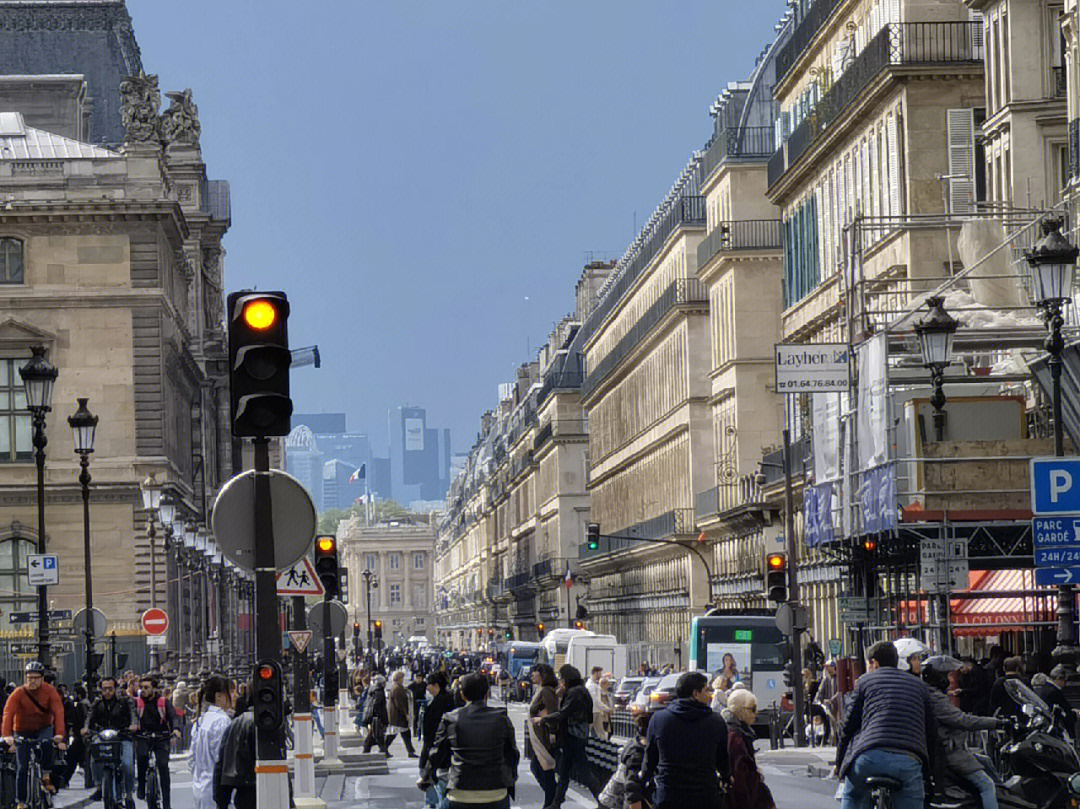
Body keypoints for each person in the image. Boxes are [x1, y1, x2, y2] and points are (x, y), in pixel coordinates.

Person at [836, 640, 937, 809]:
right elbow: (932, 731)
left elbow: (848, 725)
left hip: (869, 755)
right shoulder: (919, 686)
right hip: (908, 759)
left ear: (874, 662)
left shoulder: (865, 682)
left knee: (852, 794)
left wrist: (841, 763)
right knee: (913, 798)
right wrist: (930, 772)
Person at [420, 672, 518, 809]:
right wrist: (511, 777)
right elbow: (512, 754)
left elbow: (436, 752)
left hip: (460, 792)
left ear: (462, 694)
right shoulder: (501, 718)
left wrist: (427, 777)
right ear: (487, 693)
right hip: (496, 791)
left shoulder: (451, 718)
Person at [922, 656, 1007, 809]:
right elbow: (963, 720)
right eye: (948, 675)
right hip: (950, 752)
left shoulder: (933, 695)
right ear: (939, 677)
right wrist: (996, 722)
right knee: (987, 784)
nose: (951, 679)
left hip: (950, 749)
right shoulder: (936, 699)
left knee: (985, 760)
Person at [641, 670, 728, 809]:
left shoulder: (659, 719)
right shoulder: (716, 721)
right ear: (695, 694)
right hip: (705, 796)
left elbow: (650, 758)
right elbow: (723, 760)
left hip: (669, 796)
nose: (710, 695)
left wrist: (645, 780)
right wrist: (727, 778)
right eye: (706, 690)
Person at [3, 662, 67, 809]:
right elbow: (8, 713)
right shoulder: (18, 693)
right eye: (29, 678)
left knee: (46, 743)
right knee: (22, 767)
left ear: (42, 679)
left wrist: (59, 734)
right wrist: (8, 736)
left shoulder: (50, 692)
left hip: (43, 728)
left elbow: (58, 712)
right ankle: (21, 801)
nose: (32, 681)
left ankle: (45, 775)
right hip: (22, 730)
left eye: (36, 678)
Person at [537, 665, 594, 809]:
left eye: (562, 678)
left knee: (583, 772)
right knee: (564, 771)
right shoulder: (579, 690)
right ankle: (556, 803)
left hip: (574, 736)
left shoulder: (575, 692)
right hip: (574, 735)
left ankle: (603, 800)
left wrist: (543, 719)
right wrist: (561, 694)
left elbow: (563, 713)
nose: (560, 681)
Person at [135, 674, 179, 809]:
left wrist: (176, 729)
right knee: (141, 757)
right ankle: (141, 786)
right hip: (143, 736)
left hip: (161, 736)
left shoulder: (163, 701)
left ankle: (167, 803)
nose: (143, 690)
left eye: (146, 687)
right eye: (141, 687)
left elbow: (172, 716)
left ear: (154, 688)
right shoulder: (136, 702)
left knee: (163, 765)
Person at [726, 689, 776, 809]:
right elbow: (740, 774)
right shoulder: (735, 735)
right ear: (741, 710)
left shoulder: (741, 731)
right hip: (745, 796)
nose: (756, 713)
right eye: (752, 709)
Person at [189, 676, 233, 809]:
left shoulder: (201, 721)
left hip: (200, 788)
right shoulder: (221, 721)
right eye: (230, 692)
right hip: (216, 791)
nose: (234, 696)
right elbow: (224, 759)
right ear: (219, 696)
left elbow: (191, 759)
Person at [216, 686, 255, 809]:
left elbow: (223, 764)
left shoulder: (237, 723)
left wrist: (222, 800)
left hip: (246, 795)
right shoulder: (274, 723)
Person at [526, 664, 559, 808]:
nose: (532, 675)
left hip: (544, 736)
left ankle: (552, 800)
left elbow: (552, 712)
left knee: (544, 769)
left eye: (535, 673)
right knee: (539, 768)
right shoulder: (539, 689)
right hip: (537, 736)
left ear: (542, 675)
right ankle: (553, 799)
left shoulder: (546, 691)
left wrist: (552, 732)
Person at [419, 672, 453, 771]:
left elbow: (433, 725)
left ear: (436, 685)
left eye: (428, 685)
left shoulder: (440, 701)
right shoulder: (446, 698)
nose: (427, 688)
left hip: (437, 744)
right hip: (441, 745)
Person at [1036, 664, 1076, 737]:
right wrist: (1074, 714)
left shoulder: (1045, 688)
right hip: (1057, 729)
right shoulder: (1054, 692)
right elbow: (1062, 711)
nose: (1065, 684)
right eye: (1064, 680)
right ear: (1058, 678)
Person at [385, 670, 418, 758]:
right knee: (394, 734)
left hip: (397, 715)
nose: (403, 679)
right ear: (399, 678)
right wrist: (406, 714)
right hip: (398, 716)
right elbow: (399, 703)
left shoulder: (397, 687)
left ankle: (410, 751)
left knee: (405, 733)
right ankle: (384, 749)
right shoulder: (397, 688)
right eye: (402, 678)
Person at [361, 675, 389, 755]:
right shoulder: (379, 692)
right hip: (377, 717)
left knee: (373, 734)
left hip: (371, 716)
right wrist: (382, 718)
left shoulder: (372, 690)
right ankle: (383, 751)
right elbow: (377, 705)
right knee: (378, 734)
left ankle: (369, 749)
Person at [406, 672, 427, 740]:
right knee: (416, 717)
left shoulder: (424, 684)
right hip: (415, 702)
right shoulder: (413, 685)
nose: (419, 680)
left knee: (423, 717)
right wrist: (409, 697)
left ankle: (422, 732)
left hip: (423, 701)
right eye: (417, 678)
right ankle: (415, 732)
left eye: (420, 678)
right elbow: (407, 689)